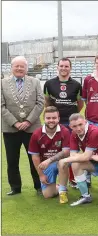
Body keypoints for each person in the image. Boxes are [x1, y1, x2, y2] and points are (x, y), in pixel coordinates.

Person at [1, 56, 44, 196]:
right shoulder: (2, 83)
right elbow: (1, 106)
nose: (19, 68)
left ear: (26, 68)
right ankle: (15, 187)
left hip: (32, 128)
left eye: (22, 66)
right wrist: (16, 123)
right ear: (11, 67)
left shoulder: (35, 81)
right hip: (10, 128)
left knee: (35, 158)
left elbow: (40, 103)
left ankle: (39, 186)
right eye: (16, 66)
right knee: (12, 159)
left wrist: (28, 122)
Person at [28, 106, 71, 200]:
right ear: (44, 118)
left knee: (62, 163)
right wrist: (41, 175)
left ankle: (63, 191)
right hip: (46, 166)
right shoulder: (36, 134)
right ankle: (59, 187)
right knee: (48, 195)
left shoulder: (65, 131)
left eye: (54, 118)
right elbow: (35, 157)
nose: (51, 120)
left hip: (61, 163)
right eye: (48, 118)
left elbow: (66, 152)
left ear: (59, 118)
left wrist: (49, 160)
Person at [43, 57, 83, 127]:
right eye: (61, 66)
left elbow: (80, 104)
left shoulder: (77, 85)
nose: (63, 68)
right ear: (57, 67)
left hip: (71, 122)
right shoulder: (48, 84)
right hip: (55, 121)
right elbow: (46, 102)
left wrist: (72, 113)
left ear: (70, 68)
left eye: (66, 66)